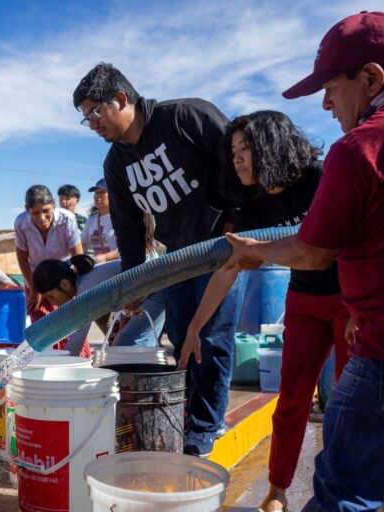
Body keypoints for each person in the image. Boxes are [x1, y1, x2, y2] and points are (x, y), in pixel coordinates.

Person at [224, 12, 384, 511]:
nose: (326, 103)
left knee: (345, 495)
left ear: (371, 77)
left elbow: (312, 250)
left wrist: (254, 253)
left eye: (331, 87)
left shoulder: (363, 146)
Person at [176, 111, 349, 511]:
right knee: (290, 400)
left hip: (349, 296)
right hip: (304, 300)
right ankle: (277, 491)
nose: (236, 160)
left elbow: (358, 241)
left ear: (272, 144)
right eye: (232, 152)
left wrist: (365, 306)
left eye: (245, 149)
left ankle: (344, 490)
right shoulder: (251, 205)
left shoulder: (319, 179)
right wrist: (194, 328)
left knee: (343, 402)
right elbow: (229, 267)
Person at [73, 63, 245, 457]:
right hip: (176, 257)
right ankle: (189, 415)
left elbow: (236, 162)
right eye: (87, 120)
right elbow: (129, 226)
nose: (93, 125)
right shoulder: (115, 164)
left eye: (95, 113)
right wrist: (135, 283)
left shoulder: (185, 116)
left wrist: (241, 220)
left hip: (223, 245)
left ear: (120, 99)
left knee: (212, 337)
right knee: (182, 335)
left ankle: (205, 427)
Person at [33, 255, 165, 355]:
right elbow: (126, 299)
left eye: (51, 297)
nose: (52, 303)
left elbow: (77, 340)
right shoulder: (84, 282)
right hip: (147, 294)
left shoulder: (85, 293)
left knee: (127, 345)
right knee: (120, 345)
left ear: (65, 285)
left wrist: (59, 369)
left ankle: (143, 387)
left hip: (158, 290)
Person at [15, 185, 85, 354]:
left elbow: (78, 258)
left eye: (46, 210)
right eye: (35, 213)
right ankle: (47, 362)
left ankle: (79, 360)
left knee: (72, 321)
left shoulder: (67, 219)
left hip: (61, 277)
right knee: (42, 326)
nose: (42, 217)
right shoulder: (21, 223)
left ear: (54, 204)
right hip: (34, 279)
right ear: (27, 210)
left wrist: (76, 289)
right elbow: (22, 260)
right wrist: (34, 289)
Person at [81, 178, 119, 263]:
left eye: (102, 192)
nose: (97, 195)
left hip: (121, 267)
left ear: (113, 194)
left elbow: (129, 246)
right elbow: (81, 244)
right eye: (96, 192)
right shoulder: (91, 219)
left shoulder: (121, 216)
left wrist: (105, 257)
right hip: (100, 266)